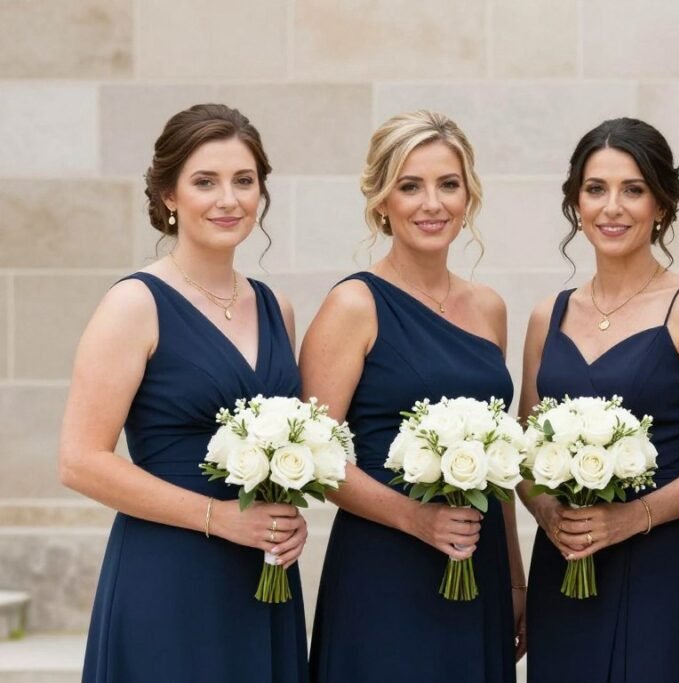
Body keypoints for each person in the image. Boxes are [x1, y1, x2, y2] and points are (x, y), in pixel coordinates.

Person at [59, 103, 309, 682]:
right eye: (205, 182)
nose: (228, 199)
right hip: (168, 572)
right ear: (169, 194)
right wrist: (219, 518)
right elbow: (79, 461)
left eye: (243, 181)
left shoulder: (277, 308)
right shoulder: (134, 304)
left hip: (263, 575)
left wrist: (290, 514)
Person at [302, 110, 522, 682]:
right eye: (410, 186)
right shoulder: (354, 305)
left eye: (448, 184)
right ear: (382, 201)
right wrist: (416, 519)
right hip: (385, 568)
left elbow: (499, 463)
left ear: (468, 197)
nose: (432, 204)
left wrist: (516, 580)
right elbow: (315, 458)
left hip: (481, 564)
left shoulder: (490, 308)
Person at [517, 117, 679, 682]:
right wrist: (549, 512)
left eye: (633, 190)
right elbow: (523, 453)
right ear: (576, 202)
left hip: (662, 568)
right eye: (596, 189)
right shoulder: (547, 316)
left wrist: (631, 518)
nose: (612, 207)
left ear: (661, 205)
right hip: (564, 566)